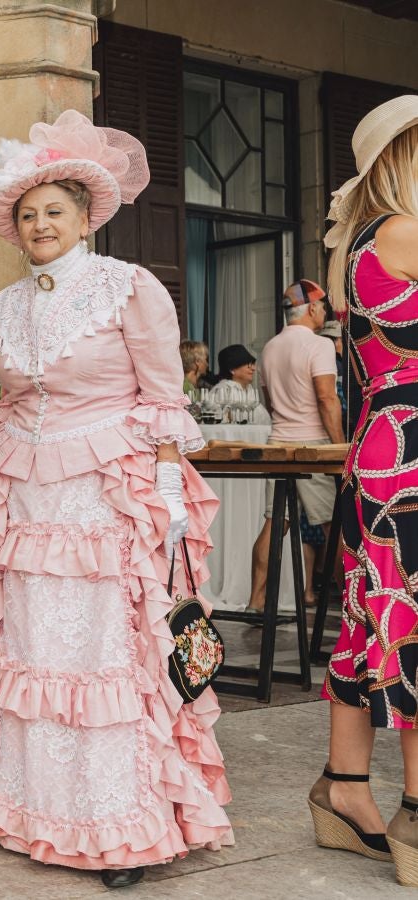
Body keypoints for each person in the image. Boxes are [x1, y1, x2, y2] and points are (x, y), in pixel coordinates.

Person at [0, 110, 233, 889]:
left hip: (106, 494)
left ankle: (123, 823)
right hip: (30, 499)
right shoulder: (4, 306)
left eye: (56, 212)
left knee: (107, 651)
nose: (42, 224)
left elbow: (163, 394)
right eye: (29, 214)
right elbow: (7, 400)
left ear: (84, 218)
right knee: (37, 645)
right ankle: (36, 806)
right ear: (15, 227)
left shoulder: (127, 286)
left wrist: (171, 490)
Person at [312, 94, 418, 885]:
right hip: (409, 447)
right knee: (407, 622)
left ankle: (345, 787)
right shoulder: (407, 233)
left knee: (373, 615)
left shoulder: (360, 245)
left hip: (381, 445)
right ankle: (417, 809)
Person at [247, 279, 344, 612]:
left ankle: (255, 601)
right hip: (313, 445)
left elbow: (268, 402)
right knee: (333, 524)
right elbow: (327, 398)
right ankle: (352, 603)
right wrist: (339, 447)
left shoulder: (270, 347)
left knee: (275, 523)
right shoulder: (318, 346)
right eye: (324, 308)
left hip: (279, 441)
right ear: (314, 308)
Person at [203, 344, 267, 421]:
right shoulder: (222, 390)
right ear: (232, 369)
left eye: (253, 364)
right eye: (248, 365)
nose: (253, 368)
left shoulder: (250, 390)